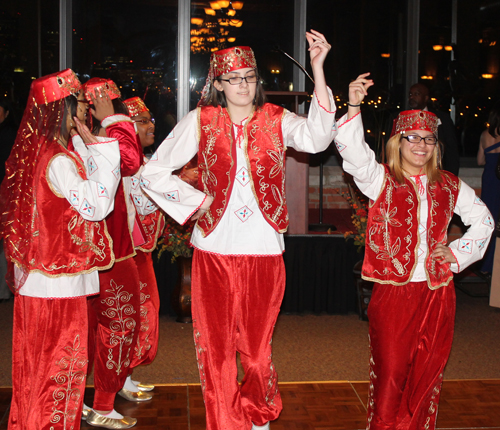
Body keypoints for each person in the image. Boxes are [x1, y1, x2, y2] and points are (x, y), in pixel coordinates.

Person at [141, 30, 336, 430]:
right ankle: (226, 422)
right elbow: (153, 172)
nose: (243, 85)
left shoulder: (277, 120)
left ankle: (258, 412)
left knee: (257, 351)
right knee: (215, 350)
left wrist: (317, 69)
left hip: (264, 250)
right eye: (234, 78)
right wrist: (197, 202)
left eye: (250, 76)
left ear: (258, 81)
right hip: (212, 250)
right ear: (217, 85)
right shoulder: (201, 120)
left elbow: (317, 140)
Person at [334, 73, 494, 430]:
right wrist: (354, 105)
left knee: (426, 378)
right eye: (412, 138)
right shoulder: (380, 180)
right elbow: (354, 156)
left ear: (435, 145)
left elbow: (484, 220)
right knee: (391, 377)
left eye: (428, 139)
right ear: (397, 142)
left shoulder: (449, 184)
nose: (420, 145)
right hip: (393, 293)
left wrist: (457, 253)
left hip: (437, 294)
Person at [0, 69, 122, 430]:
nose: (85, 111)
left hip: (41, 282)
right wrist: (106, 149)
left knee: (37, 371)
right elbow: (98, 206)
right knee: (60, 372)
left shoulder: (39, 152)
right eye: (79, 105)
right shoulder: (58, 159)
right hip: (57, 287)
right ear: (62, 110)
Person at [82, 78, 145, 429]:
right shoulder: (94, 134)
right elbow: (130, 160)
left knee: (102, 327)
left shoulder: (80, 135)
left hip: (94, 248)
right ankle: (100, 403)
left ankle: (97, 398)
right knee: (118, 325)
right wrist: (112, 121)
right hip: (106, 250)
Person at [122, 96, 164, 393]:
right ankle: (119, 380)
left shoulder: (142, 163)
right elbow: (146, 206)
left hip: (139, 252)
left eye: (151, 120)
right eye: (144, 121)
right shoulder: (131, 167)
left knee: (143, 312)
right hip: (126, 254)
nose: (153, 126)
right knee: (135, 313)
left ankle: (125, 376)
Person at [407, 83, 460, 175]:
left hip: (436, 174)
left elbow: (451, 150)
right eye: (410, 94)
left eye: (417, 94)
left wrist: (451, 177)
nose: (412, 97)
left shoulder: (442, 118)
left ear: (426, 98)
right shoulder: (399, 118)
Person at [477, 103, 500, 276]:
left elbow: (480, 161)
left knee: (489, 221)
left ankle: (486, 265)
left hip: (490, 179)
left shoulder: (485, 135)